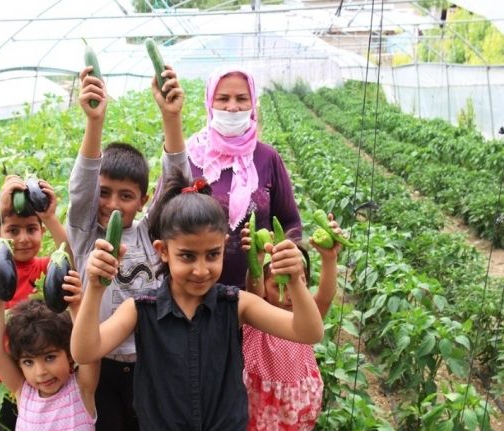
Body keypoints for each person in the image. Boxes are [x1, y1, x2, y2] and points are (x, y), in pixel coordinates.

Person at [70, 170, 324, 431]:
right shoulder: (139, 309)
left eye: (213, 255)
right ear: (163, 251)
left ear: (224, 246)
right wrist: (96, 289)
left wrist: (294, 280)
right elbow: (84, 351)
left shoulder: (237, 304)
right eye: (188, 256)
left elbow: (309, 331)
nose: (201, 270)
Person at [66, 63, 189, 430]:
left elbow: (177, 181)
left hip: (151, 361)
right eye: (104, 193)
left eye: (126, 195)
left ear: (143, 199)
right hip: (99, 363)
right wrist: (94, 123)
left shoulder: (152, 232)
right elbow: (82, 184)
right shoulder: (85, 233)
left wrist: (172, 117)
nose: (112, 204)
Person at [0, 175, 70, 429]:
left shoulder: (47, 267)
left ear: (41, 231)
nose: (22, 239)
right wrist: (1, 209)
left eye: (31, 229)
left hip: (45, 374)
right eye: (12, 230)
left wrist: (49, 217)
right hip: (5, 378)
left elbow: (70, 256)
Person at [186, 66, 302, 289]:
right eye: (222, 99)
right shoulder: (190, 157)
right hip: (196, 288)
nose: (232, 107)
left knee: (252, 324)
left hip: (258, 292)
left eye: (241, 98)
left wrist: (281, 254)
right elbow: (161, 219)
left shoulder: (268, 158)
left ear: (253, 104)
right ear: (210, 102)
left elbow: (291, 222)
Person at [241, 214, 343, 430]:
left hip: (295, 413)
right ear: (265, 290)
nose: (289, 295)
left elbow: (325, 297)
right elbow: (253, 289)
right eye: (279, 285)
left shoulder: (306, 321)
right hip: (256, 409)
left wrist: (330, 258)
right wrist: (257, 261)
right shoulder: (259, 317)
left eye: (298, 282)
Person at [0, 268, 99, 431]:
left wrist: (76, 305)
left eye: (50, 357)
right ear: (19, 364)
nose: (40, 372)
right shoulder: (23, 391)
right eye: (28, 362)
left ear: (70, 354)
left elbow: (87, 346)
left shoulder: (82, 389)